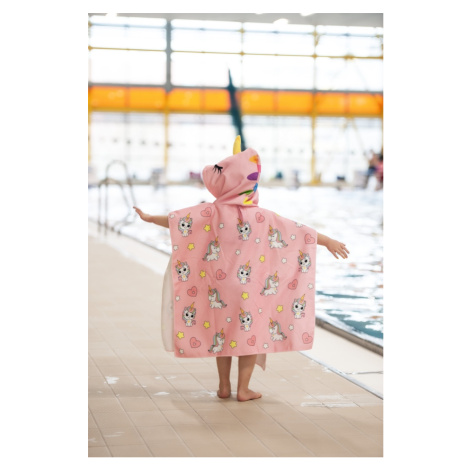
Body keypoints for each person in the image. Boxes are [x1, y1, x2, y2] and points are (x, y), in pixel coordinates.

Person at [133, 137, 349, 402]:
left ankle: (224, 386)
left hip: (219, 286)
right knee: (250, 338)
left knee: (221, 335)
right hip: (250, 290)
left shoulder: (211, 212)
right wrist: (328, 242)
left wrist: (149, 218)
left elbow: (177, 221)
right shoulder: (262, 216)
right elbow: (298, 231)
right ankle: (243, 389)